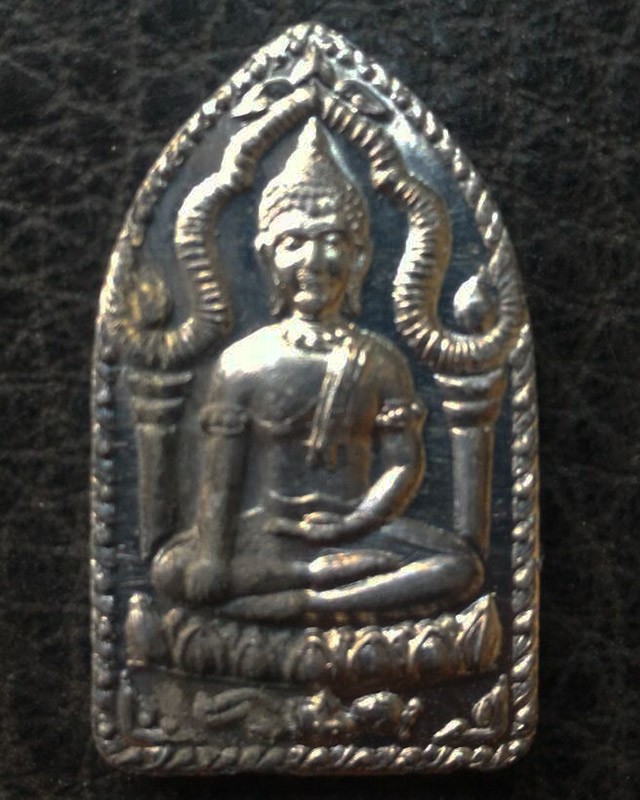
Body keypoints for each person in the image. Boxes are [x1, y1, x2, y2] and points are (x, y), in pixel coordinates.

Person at [152, 118, 483, 624]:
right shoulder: (243, 362)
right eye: (293, 242)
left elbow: (403, 464)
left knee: (460, 568)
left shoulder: (380, 359)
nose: (314, 259)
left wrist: (355, 522)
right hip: (267, 534)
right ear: (266, 256)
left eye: (332, 240)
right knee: (171, 570)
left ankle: (313, 600)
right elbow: (220, 481)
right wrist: (212, 559)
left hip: (359, 533)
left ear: (359, 257)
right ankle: (322, 580)